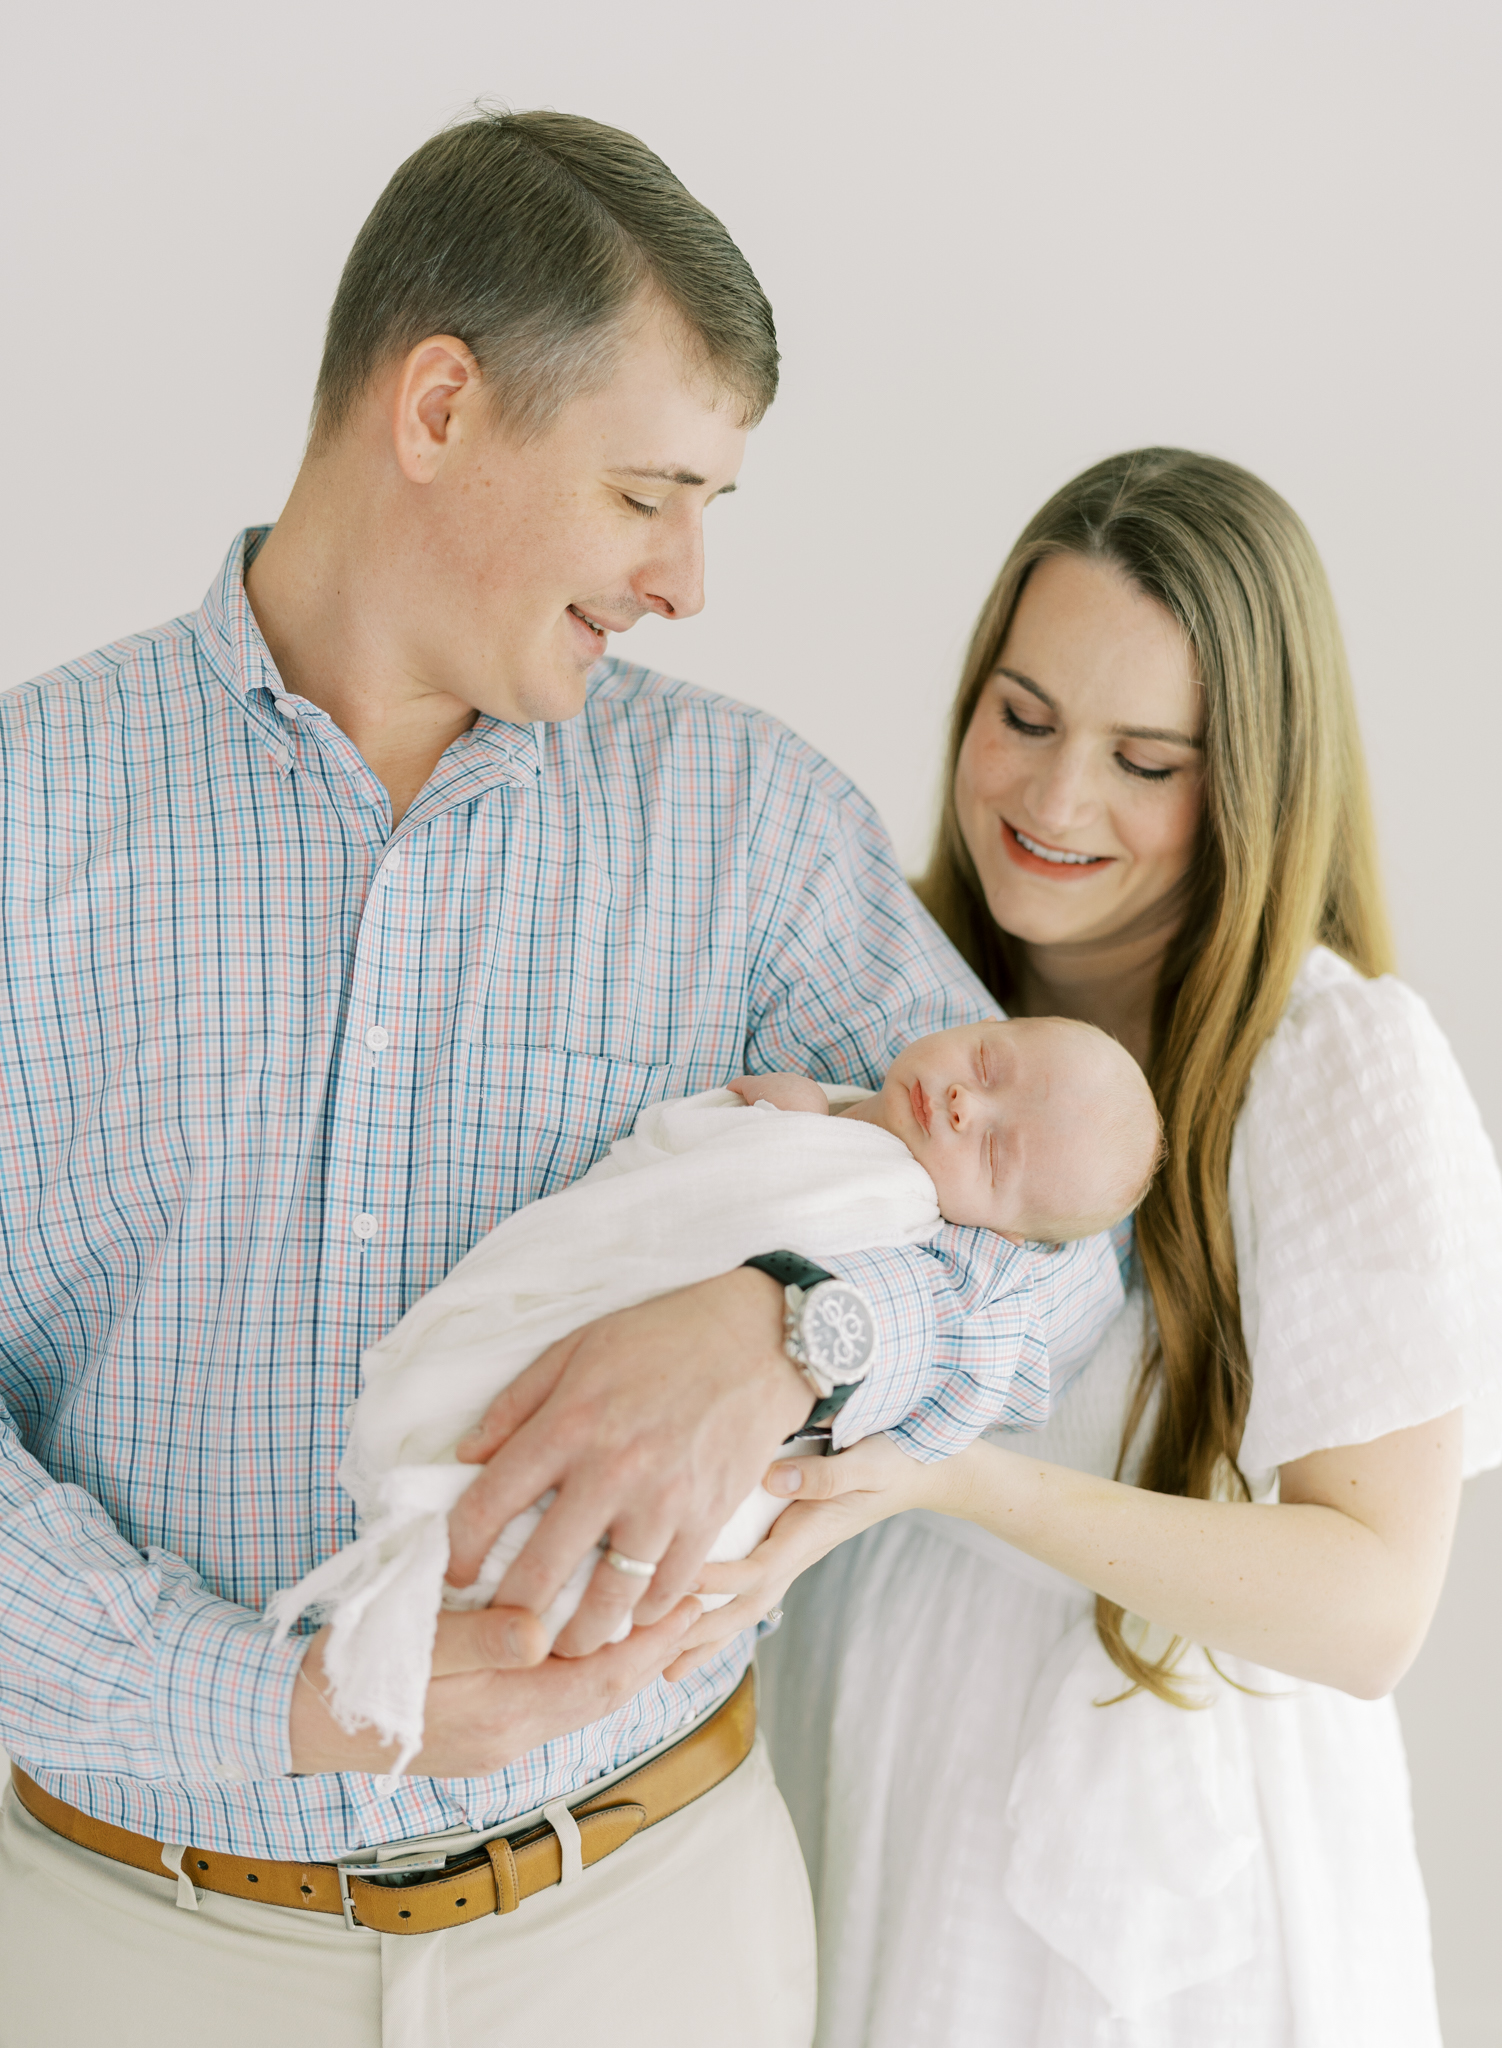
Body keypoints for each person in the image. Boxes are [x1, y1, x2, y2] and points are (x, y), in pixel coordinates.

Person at [0, 112, 1125, 2048]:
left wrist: (794, 1331)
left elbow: (1051, 1257)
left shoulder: (750, 819)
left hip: (646, 1936)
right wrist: (272, 1700)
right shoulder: (27, 818)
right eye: (646, 492)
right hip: (126, 1951)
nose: (684, 577)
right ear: (437, 402)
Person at [682, 448, 1502, 2045]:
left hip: (1154, 1872)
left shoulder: (1326, 1062)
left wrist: (948, 1473)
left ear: (1253, 781)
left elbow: (1371, 1610)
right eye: (1025, 717)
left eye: (1145, 760)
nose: (1055, 804)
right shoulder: (899, 1007)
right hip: (861, 1754)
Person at [269, 1016, 1163, 1771]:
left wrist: (795, 1326)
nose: (968, 1103)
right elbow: (666, 1179)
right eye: (988, 1061)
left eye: (996, 1149)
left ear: (1005, 1228)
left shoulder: (906, 1215)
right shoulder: (840, 1093)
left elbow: (1047, 1315)